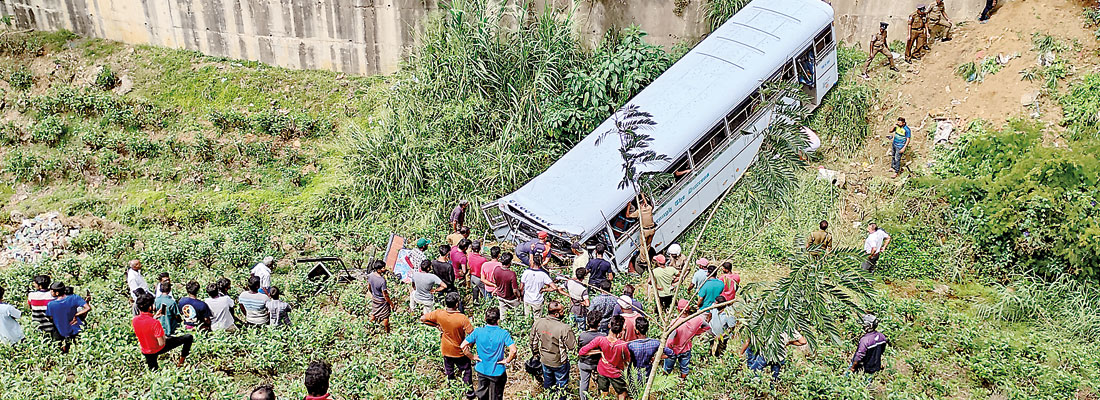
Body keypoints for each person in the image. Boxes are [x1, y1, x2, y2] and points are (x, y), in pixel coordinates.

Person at [422, 292, 476, 399]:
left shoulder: (439, 313)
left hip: (446, 350)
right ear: (456, 304)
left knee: (449, 371)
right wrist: (469, 346)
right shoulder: (462, 318)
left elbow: (423, 318)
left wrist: (436, 325)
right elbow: (472, 334)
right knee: (466, 371)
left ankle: (452, 390)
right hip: (460, 351)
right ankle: (469, 393)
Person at [462, 308, 517, 400]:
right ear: (498, 320)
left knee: (482, 394)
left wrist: (472, 357)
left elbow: (463, 345)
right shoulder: (503, 333)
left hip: (482, 369)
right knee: (496, 396)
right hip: (497, 371)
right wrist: (507, 360)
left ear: (485, 319)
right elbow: (513, 350)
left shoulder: (478, 331)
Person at [132, 292, 193, 370]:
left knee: (153, 370)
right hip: (157, 348)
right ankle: (181, 363)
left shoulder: (135, 320)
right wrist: (164, 336)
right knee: (188, 337)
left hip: (146, 351)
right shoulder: (155, 323)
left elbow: (145, 323)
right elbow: (161, 343)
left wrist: (154, 316)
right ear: (150, 307)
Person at [531, 301, 577, 399]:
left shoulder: (539, 322)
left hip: (544, 360)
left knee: (548, 383)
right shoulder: (564, 328)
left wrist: (536, 354)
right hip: (559, 362)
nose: (563, 313)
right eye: (562, 311)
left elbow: (533, 342)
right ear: (556, 314)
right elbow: (572, 346)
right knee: (561, 386)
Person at [579, 315, 631, 400]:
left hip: (602, 370)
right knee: (622, 393)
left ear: (609, 326)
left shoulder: (600, 340)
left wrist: (599, 351)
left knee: (603, 392)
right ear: (621, 329)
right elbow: (627, 359)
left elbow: (582, 351)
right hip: (615, 373)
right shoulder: (622, 345)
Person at [664, 300, 711, 379]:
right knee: (684, 368)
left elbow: (670, 340)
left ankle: (664, 382)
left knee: (667, 369)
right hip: (686, 348)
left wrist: (666, 349)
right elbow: (707, 327)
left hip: (673, 350)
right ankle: (683, 382)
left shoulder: (675, 323)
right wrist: (695, 333)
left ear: (678, 309)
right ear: (688, 309)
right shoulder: (696, 319)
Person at [45, 282, 90, 353]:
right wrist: (76, 315)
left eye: (51, 291)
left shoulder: (51, 304)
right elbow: (87, 308)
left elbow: (50, 317)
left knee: (62, 349)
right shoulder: (74, 298)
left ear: (56, 293)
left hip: (61, 330)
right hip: (75, 328)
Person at [741, 330, 806, 380]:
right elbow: (803, 341)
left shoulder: (769, 323)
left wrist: (740, 353)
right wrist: (790, 342)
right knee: (775, 379)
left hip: (767, 355)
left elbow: (751, 340)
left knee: (754, 371)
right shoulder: (790, 328)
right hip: (780, 357)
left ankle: (756, 389)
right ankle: (773, 393)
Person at [626, 317, 667, 388]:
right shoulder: (655, 343)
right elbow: (670, 353)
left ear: (636, 331)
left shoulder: (631, 345)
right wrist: (656, 358)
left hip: (633, 374)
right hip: (648, 372)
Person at [577, 310, 606, 400]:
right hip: (597, 364)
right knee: (601, 382)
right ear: (599, 324)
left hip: (584, 363)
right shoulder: (603, 336)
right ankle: (599, 396)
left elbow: (579, 349)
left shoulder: (582, 336)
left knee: (584, 382)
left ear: (587, 322)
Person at [519, 254, 559, 319]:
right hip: (537, 301)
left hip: (527, 299)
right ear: (541, 263)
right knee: (537, 319)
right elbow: (554, 288)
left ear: (533, 262)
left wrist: (521, 296)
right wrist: (544, 290)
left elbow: (521, 287)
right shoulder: (543, 275)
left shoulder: (526, 272)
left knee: (527, 319)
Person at [365, 260, 393, 332]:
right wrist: (391, 304)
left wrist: (373, 293)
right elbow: (385, 295)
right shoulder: (382, 280)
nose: (385, 269)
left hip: (375, 299)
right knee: (385, 316)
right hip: (381, 301)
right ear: (379, 270)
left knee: (374, 313)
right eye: (383, 268)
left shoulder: (370, 275)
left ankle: (368, 327)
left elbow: (369, 286)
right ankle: (387, 331)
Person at [626, 194, 656, 261]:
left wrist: (628, 206)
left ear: (640, 205)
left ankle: (643, 260)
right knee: (648, 245)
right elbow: (645, 202)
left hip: (645, 231)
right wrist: (642, 195)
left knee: (643, 246)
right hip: (652, 229)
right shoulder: (649, 208)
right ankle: (646, 257)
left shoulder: (639, 212)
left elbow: (627, 216)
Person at [493, 253, 522, 321]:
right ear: (510, 262)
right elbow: (515, 290)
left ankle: (504, 325)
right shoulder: (511, 274)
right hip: (510, 298)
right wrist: (518, 296)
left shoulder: (496, 269)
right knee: (517, 313)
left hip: (500, 296)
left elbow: (495, 280)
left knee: (503, 315)